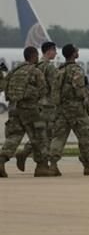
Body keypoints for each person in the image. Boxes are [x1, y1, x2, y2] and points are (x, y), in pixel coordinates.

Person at [48, 44, 89, 176]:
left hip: (61, 108)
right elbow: (79, 90)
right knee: (84, 136)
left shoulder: (59, 70)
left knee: (59, 137)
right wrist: (86, 99)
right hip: (76, 109)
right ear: (73, 54)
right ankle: (88, 164)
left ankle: (53, 165)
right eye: (76, 50)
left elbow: (54, 90)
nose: (78, 52)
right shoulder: (76, 70)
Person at [0, 47, 56, 177]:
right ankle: (41, 167)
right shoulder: (35, 71)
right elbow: (43, 90)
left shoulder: (14, 71)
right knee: (39, 137)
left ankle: (1, 161)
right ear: (34, 56)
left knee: (14, 137)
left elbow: (3, 87)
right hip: (30, 109)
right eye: (36, 56)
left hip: (14, 107)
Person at [15, 41, 58, 172]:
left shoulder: (36, 65)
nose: (56, 53)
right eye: (54, 50)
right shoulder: (49, 67)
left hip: (37, 103)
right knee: (47, 135)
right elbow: (54, 86)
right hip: (48, 105)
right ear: (49, 51)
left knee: (40, 134)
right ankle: (41, 162)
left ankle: (27, 153)